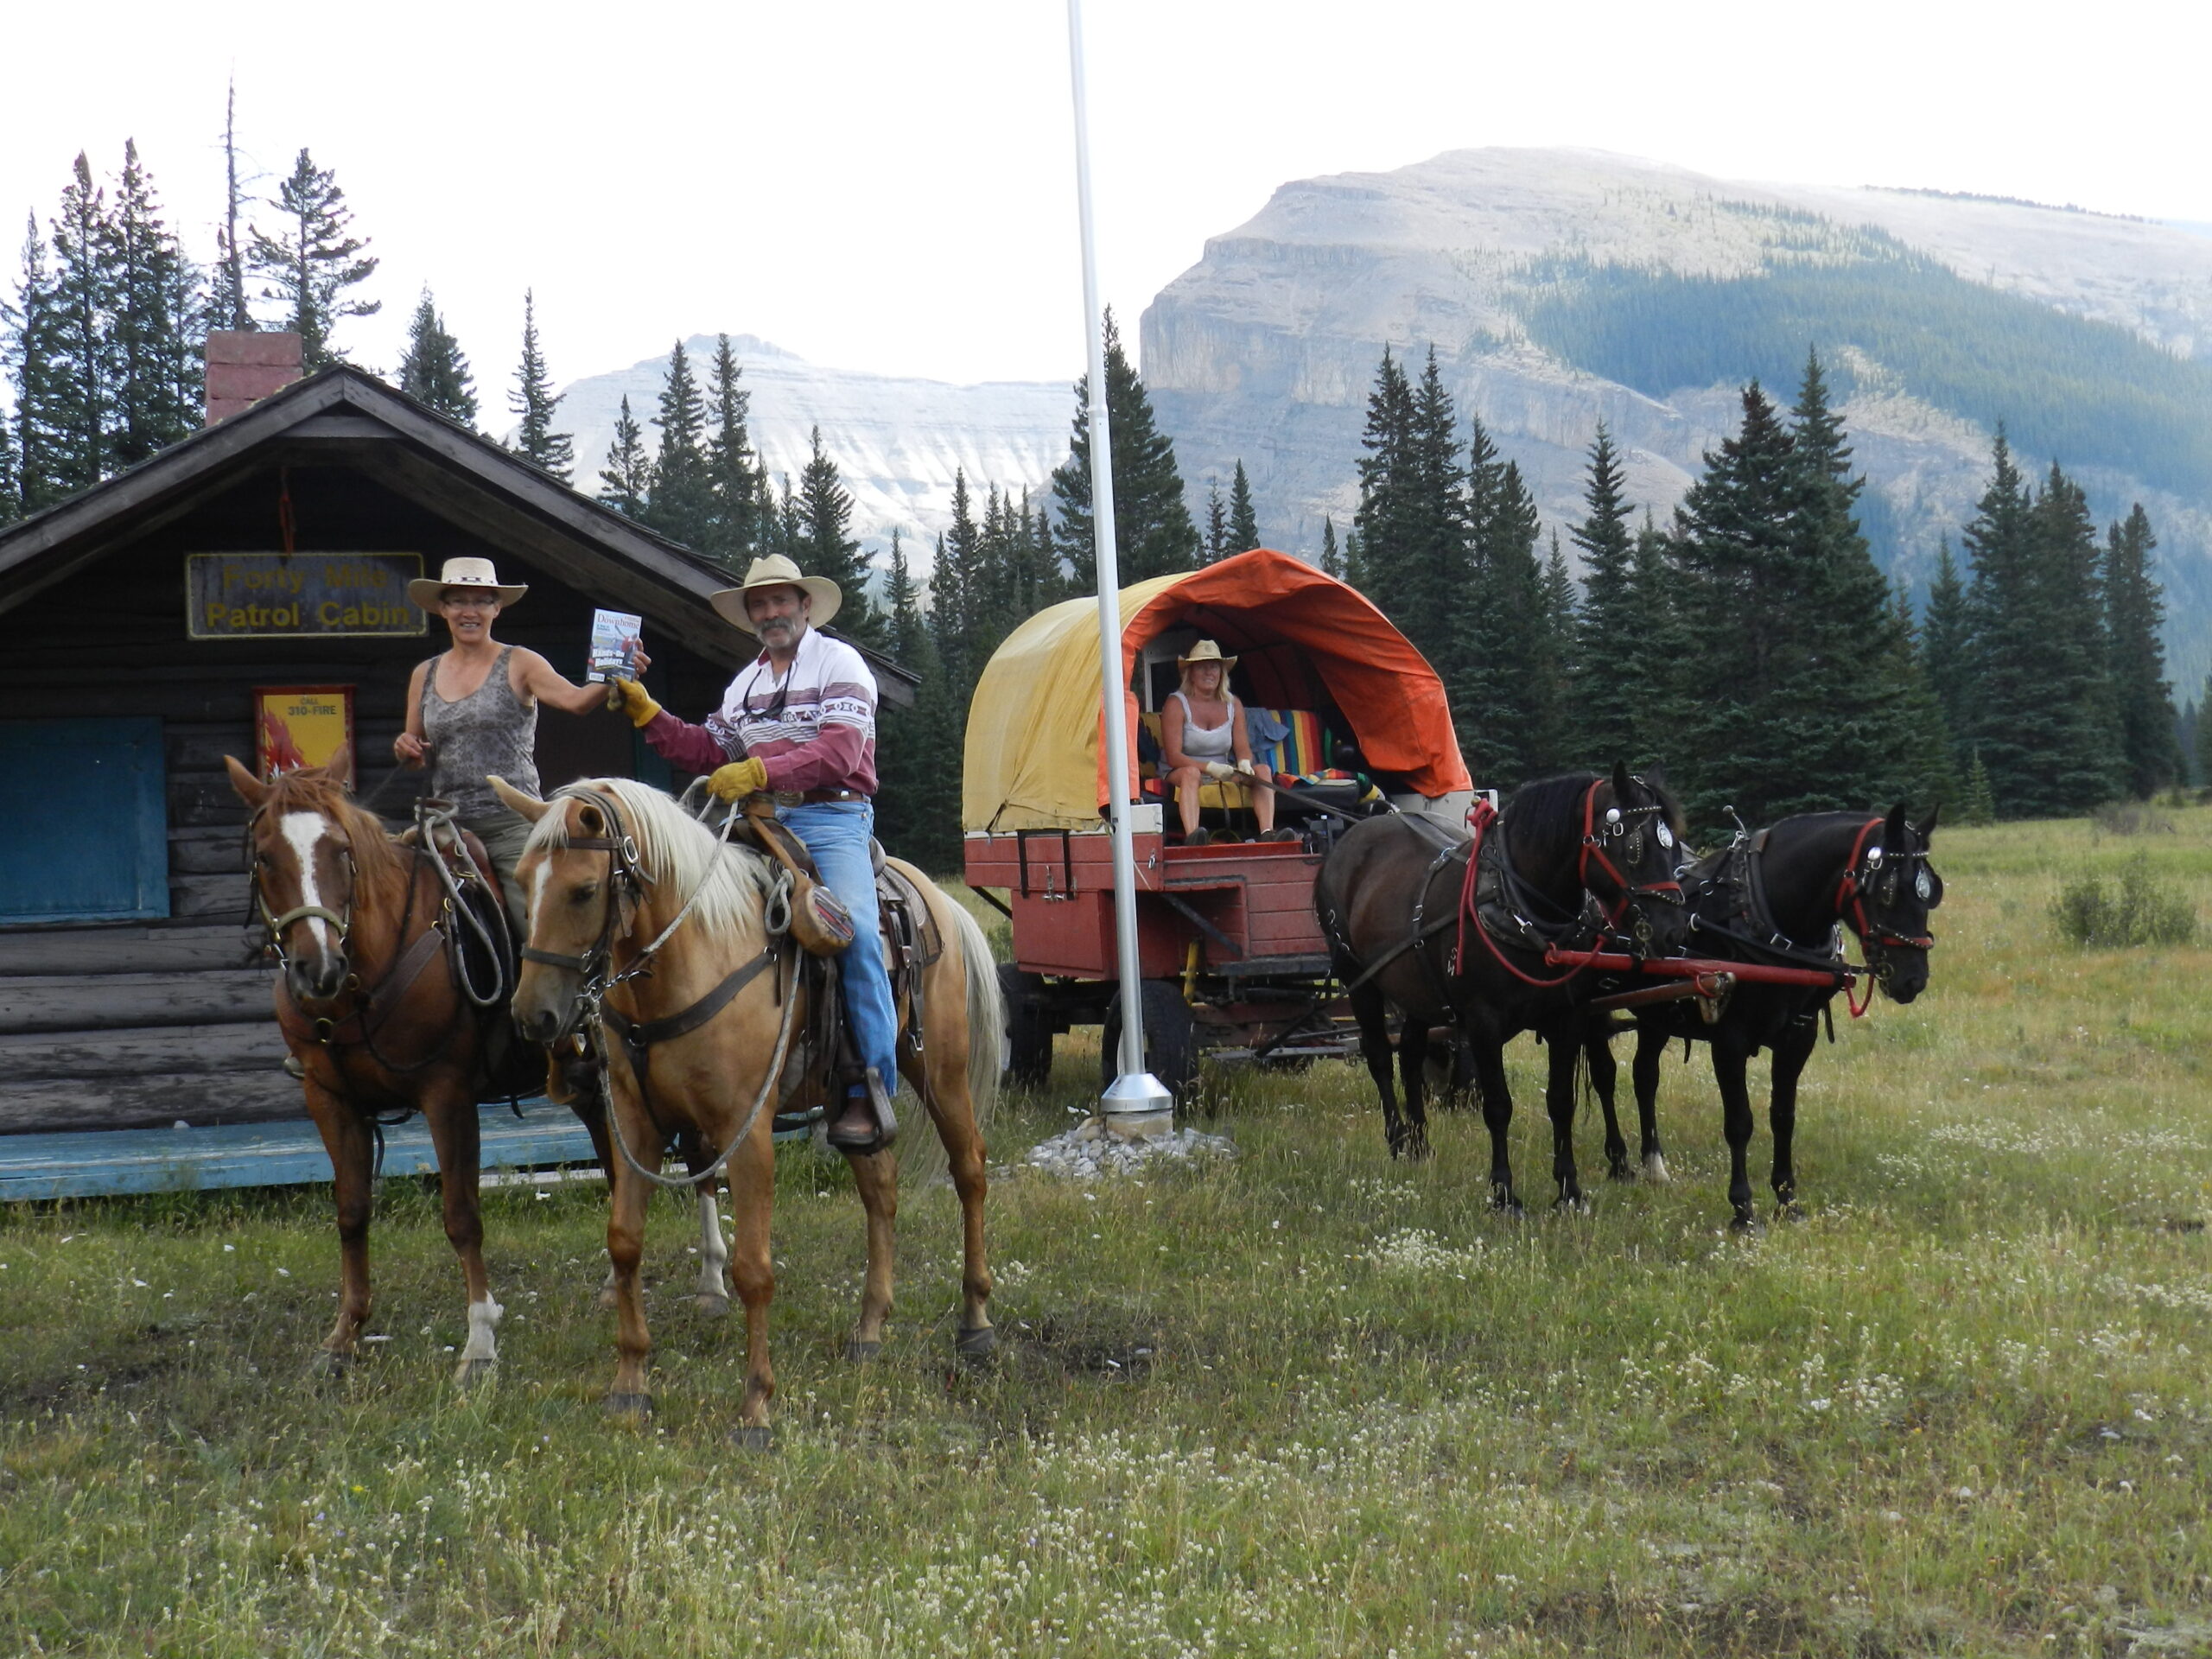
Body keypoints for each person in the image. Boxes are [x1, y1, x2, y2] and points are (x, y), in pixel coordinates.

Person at [607, 553, 900, 1153]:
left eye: (780, 601)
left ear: (804, 606)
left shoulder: (840, 663)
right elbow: (706, 750)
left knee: (857, 935)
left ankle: (870, 1084)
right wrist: (646, 711)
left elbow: (841, 753)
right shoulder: (745, 684)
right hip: (761, 821)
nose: (771, 613)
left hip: (833, 817)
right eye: (759, 605)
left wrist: (760, 768)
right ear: (751, 617)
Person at [396, 556, 611, 935]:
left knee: (536, 929)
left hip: (511, 825)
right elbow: (416, 752)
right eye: (459, 601)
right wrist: (407, 750)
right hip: (445, 824)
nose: (470, 611)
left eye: (481, 601)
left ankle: (559, 993)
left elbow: (577, 702)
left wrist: (619, 670)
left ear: (497, 608)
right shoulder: (423, 674)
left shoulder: (520, 662)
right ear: (443, 609)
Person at [1160, 639, 1293, 845]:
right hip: (1182, 770)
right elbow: (1174, 756)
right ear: (1191, 673)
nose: (1209, 672)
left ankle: (1268, 833)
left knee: (1263, 770)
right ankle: (1193, 837)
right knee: (1191, 774)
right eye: (1202, 667)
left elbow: (1243, 749)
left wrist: (1245, 764)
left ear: (1222, 673)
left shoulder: (1233, 703)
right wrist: (1210, 767)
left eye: (1214, 667)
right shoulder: (1176, 703)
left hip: (1223, 770)